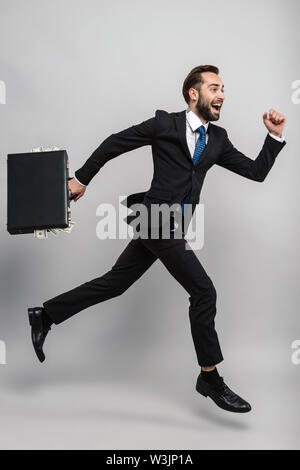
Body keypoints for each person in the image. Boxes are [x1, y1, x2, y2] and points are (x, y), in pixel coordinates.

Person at [28, 65, 286, 413]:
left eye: (223, 88)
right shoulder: (165, 124)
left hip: (172, 225)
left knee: (114, 283)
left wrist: (273, 137)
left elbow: (256, 172)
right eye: (214, 87)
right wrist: (81, 178)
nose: (222, 93)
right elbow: (114, 143)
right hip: (155, 220)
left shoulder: (218, 140)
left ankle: (45, 315)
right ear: (194, 93)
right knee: (204, 291)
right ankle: (209, 377)